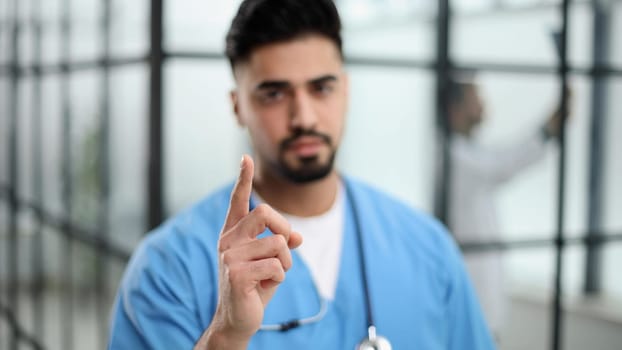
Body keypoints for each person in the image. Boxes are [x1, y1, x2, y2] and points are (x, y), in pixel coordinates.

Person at [108, 1, 495, 349]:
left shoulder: (428, 250)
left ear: (345, 91)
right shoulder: (166, 271)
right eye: (274, 94)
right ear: (237, 106)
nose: (304, 117)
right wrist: (225, 337)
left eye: (321, 88)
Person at [445, 73, 566, 338]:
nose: (483, 104)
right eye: (475, 97)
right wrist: (548, 130)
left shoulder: (468, 152)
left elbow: (500, 160)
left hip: (483, 306)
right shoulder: (454, 157)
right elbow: (504, 164)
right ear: (455, 109)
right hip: (473, 304)